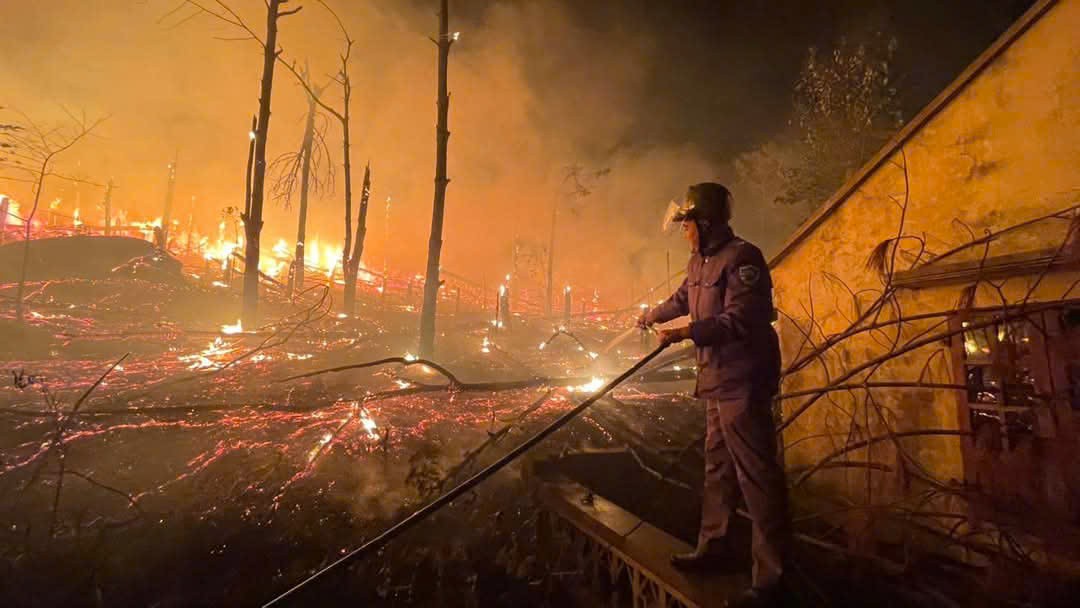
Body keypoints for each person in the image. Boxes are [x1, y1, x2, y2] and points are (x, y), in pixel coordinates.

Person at [638, 183, 789, 607]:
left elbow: (740, 318)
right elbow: (683, 298)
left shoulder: (744, 259)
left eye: (687, 225)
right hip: (717, 382)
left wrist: (686, 333)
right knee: (718, 471)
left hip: (742, 380)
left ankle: (770, 581)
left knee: (757, 479)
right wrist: (651, 316)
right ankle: (714, 550)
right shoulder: (698, 261)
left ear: (705, 224)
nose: (684, 233)